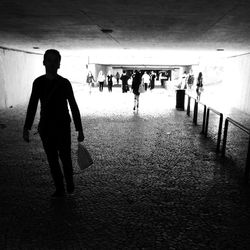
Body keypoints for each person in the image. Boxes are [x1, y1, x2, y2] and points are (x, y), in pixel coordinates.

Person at [23, 49, 84, 198]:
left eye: (55, 60)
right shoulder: (38, 83)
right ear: (44, 62)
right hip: (46, 128)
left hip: (62, 127)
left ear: (59, 64)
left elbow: (73, 106)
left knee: (65, 158)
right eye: (49, 60)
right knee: (52, 160)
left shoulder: (64, 83)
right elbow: (32, 105)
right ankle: (59, 188)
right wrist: (27, 127)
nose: (52, 63)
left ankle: (69, 184)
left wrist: (79, 129)